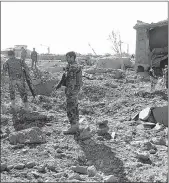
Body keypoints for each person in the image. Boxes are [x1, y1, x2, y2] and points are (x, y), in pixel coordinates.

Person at [54, 51, 83, 135]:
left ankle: (73, 127)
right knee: (74, 107)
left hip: (72, 90)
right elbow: (65, 76)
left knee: (71, 107)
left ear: (72, 57)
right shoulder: (70, 66)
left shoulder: (74, 67)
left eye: (68, 57)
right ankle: (75, 125)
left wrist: (69, 92)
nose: (66, 59)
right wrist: (59, 84)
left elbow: (72, 81)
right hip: (73, 90)